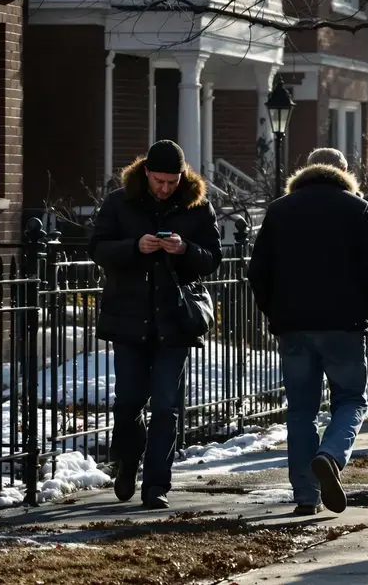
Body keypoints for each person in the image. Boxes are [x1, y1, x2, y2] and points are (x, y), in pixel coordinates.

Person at [247, 148, 368, 516]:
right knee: (351, 399)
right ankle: (331, 455)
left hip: (294, 327)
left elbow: (258, 272)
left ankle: (305, 496)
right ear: (344, 172)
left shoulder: (280, 209)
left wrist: (275, 314)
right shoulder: (358, 208)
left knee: (301, 411)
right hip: (344, 326)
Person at [91, 140, 223, 510]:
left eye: (173, 181)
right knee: (129, 400)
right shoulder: (120, 202)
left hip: (175, 320)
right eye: (160, 181)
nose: (166, 188)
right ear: (146, 172)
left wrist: (183, 250)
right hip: (128, 317)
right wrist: (136, 246)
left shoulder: (197, 207)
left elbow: (214, 259)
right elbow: (97, 248)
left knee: (166, 404)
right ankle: (128, 461)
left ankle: (157, 487)